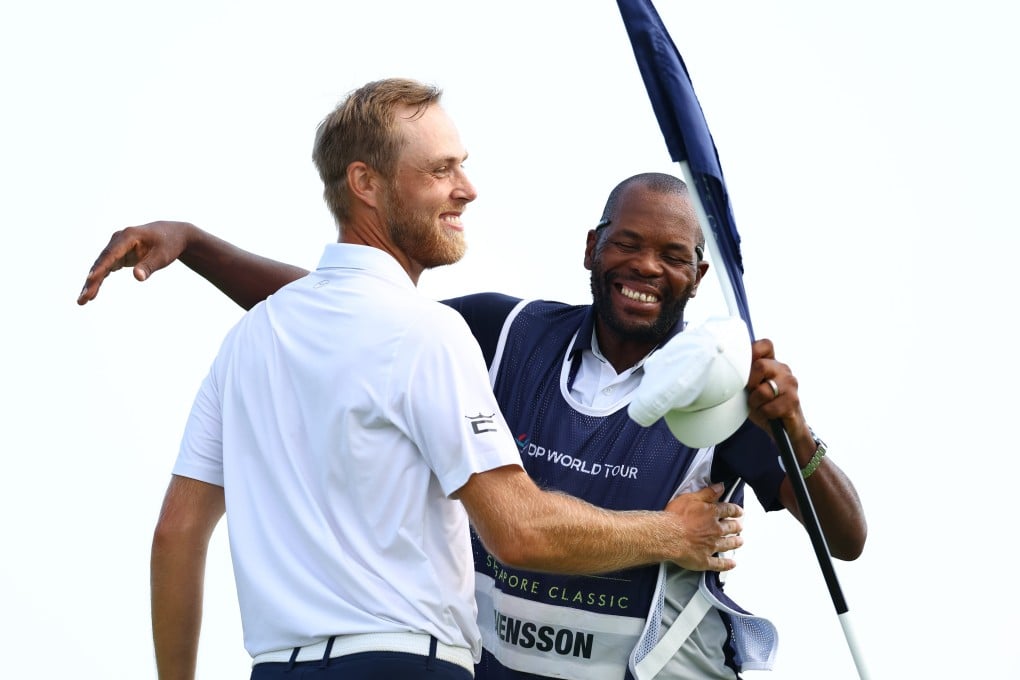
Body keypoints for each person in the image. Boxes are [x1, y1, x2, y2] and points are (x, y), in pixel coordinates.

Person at [79, 150, 866, 678]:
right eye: (628, 245)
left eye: (672, 257)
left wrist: (794, 429)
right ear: (591, 247)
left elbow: (847, 539)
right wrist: (192, 245)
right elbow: (341, 312)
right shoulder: (500, 331)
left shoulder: (723, 387)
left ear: (699, 275)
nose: (645, 269)